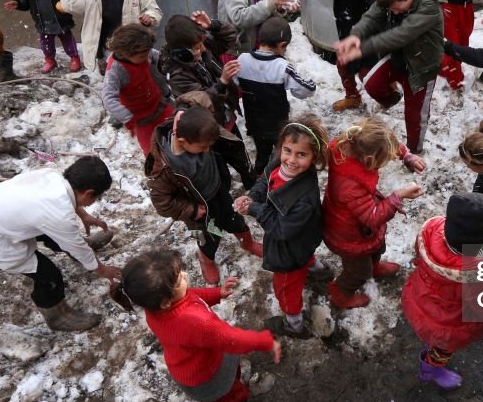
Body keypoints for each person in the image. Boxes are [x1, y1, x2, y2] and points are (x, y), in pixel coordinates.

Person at [110, 249, 280, 402]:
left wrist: (218, 293)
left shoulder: (157, 307)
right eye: (179, 278)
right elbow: (231, 339)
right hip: (206, 376)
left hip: (195, 363)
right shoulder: (194, 322)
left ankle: (226, 393)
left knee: (231, 381)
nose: (186, 276)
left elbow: (192, 296)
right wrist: (265, 341)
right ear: (164, 301)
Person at [0, 156, 122, 332]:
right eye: (96, 197)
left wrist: (84, 216)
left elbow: (63, 204)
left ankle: (71, 241)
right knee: (48, 275)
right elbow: (71, 238)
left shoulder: (50, 176)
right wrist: (103, 270)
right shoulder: (59, 215)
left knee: (58, 232)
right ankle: (57, 317)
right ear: (89, 193)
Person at [402, 192, 483, 389]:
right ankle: (430, 370)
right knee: (441, 349)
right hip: (446, 326)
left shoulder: (429, 231)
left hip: (418, 300)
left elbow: (419, 257)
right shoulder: (478, 274)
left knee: (433, 337)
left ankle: (431, 348)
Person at [234, 115, 329, 339]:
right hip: (302, 239)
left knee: (286, 289)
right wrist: (252, 196)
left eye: (302, 154)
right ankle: (319, 270)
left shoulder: (304, 198)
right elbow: (265, 179)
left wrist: (255, 209)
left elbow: (280, 230)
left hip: (289, 251)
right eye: (287, 150)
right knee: (305, 253)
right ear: (280, 147)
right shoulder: (278, 162)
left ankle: (293, 324)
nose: (292, 160)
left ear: (314, 157)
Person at [145, 107, 263, 284]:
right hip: (201, 209)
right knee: (209, 237)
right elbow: (162, 202)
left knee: (235, 220)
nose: (208, 150)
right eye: (202, 147)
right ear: (183, 141)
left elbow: (198, 99)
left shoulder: (195, 133)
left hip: (219, 192)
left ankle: (247, 242)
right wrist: (191, 210)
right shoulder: (165, 169)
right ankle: (206, 259)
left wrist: (180, 111)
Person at [335, 0, 445, 153]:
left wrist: (361, 49)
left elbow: (400, 36)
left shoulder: (430, 7)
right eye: (391, 9)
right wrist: (355, 35)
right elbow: (371, 16)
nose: (394, 12)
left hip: (422, 66)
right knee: (372, 83)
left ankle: (414, 151)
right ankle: (393, 98)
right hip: (398, 57)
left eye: (396, 8)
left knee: (415, 114)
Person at [323, 118, 425, 309]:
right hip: (349, 235)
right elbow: (372, 217)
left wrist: (406, 156)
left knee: (377, 248)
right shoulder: (350, 187)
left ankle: (374, 266)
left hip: (360, 227)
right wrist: (398, 196)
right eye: (384, 160)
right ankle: (341, 293)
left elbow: (385, 141)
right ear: (370, 161)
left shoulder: (356, 140)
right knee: (358, 271)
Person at [159, 12, 255, 187]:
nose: (203, 49)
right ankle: (224, 190)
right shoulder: (177, 75)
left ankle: (250, 181)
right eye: (197, 47)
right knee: (218, 166)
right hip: (208, 126)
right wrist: (222, 82)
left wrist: (213, 25)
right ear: (181, 53)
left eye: (202, 43)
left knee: (240, 155)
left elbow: (229, 38)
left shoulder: (202, 49)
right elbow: (200, 99)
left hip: (227, 118)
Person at [236, 17, 317, 176]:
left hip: (254, 123)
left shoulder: (242, 60)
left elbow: (231, 81)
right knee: (281, 151)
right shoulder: (282, 67)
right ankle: (278, 176)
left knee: (262, 150)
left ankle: (259, 173)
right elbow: (306, 90)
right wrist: (310, 82)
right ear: (282, 45)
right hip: (277, 126)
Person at [309, 0, 377, 112]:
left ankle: (389, 95)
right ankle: (352, 97)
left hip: (363, 35)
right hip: (349, 32)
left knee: (366, 74)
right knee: (343, 64)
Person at [101, 23, 174, 157]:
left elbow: (159, 58)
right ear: (124, 53)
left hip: (159, 105)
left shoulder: (145, 53)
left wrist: (169, 62)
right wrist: (128, 118)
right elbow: (108, 98)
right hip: (140, 119)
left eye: (147, 54)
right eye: (142, 57)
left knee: (176, 133)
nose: (147, 58)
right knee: (152, 151)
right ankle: (158, 172)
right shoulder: (116, 70)